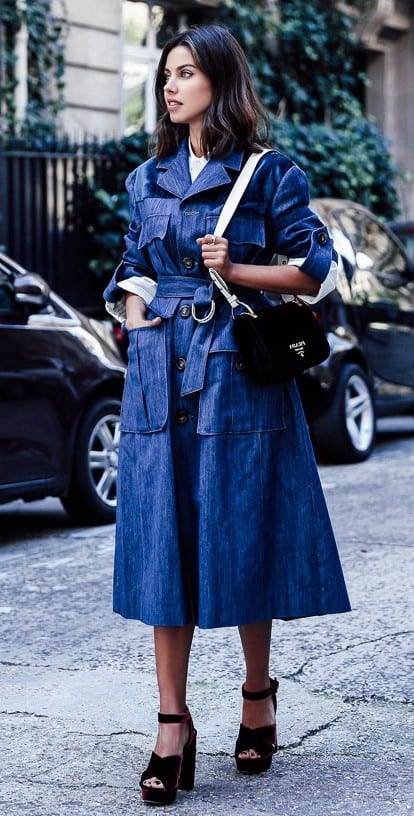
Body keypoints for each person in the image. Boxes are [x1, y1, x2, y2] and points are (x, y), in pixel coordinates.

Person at [103, 23, 351, 806]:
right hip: (157, 378)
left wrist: (235, 266)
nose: (170, 86)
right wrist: (134, 306)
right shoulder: (147, 179)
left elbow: (315, 271)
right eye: (165, 74)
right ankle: (171, 724)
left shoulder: (270, 174)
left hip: (237, 376)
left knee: (240, 534)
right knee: (162, 546)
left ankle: (256, 696)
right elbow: (131, 265)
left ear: (219, 80)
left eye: (185, 73)